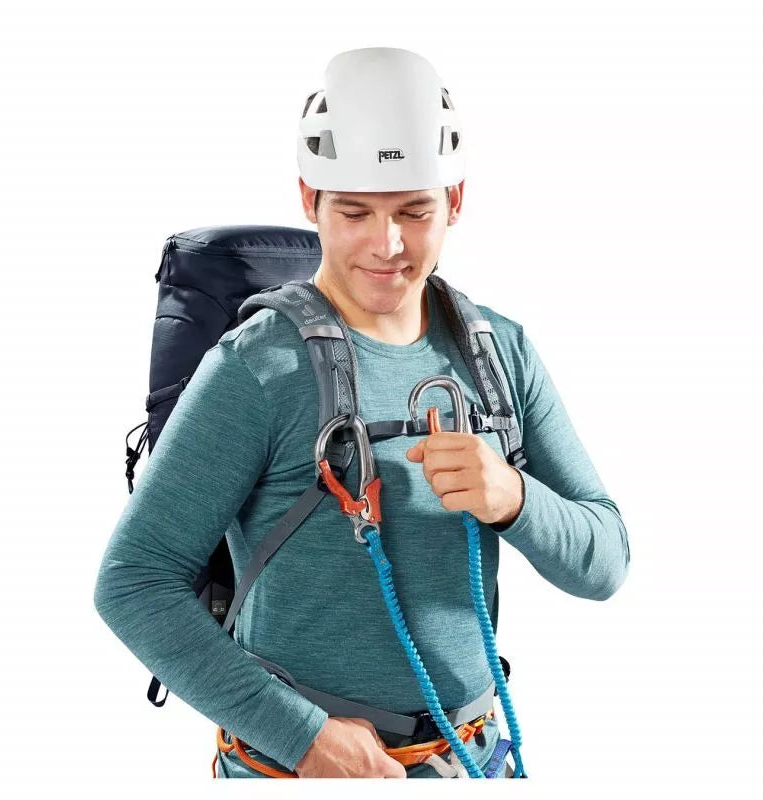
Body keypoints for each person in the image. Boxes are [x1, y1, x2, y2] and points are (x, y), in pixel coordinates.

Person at [93, 46, 630, 779]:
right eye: (355, 212)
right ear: (309, 198)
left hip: (472, 759)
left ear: (456, 200)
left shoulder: (500, 353)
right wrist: (304, 738)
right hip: (296, 772)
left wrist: (514, 499)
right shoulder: (258, 366)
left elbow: (606, 560)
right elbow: (133, 581)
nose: (388, 244)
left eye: (414, 211)